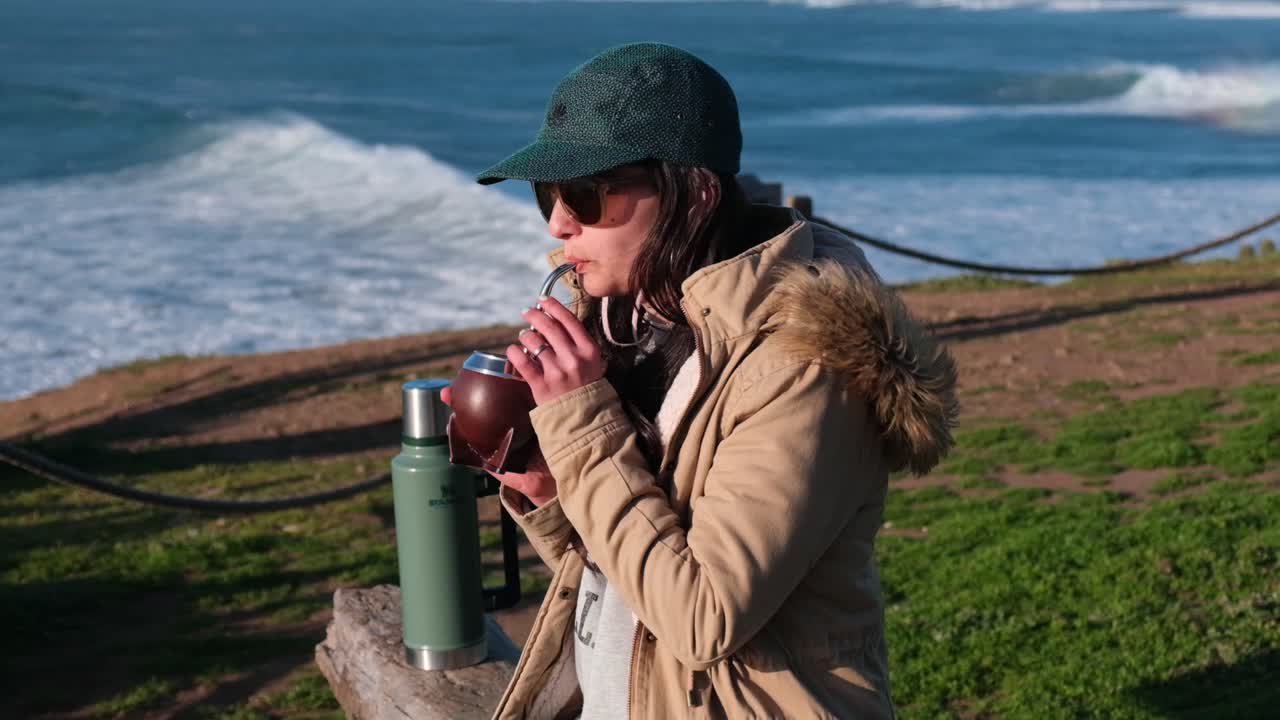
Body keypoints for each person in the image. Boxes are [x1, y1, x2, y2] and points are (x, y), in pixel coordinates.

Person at [462, 42, 958, 719]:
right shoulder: (640, 327)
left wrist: (582, 426)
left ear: (693, 194)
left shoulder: (803, 368)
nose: (557, 222)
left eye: (584, 193)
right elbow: (632, 588)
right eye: (546, 193)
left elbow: (701, 620)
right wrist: (556, 494)